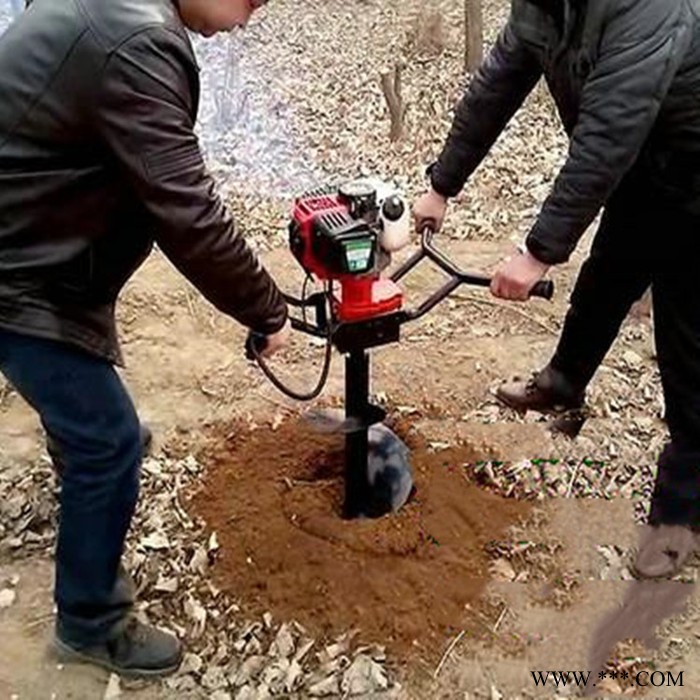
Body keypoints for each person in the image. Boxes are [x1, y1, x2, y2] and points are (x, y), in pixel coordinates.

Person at [0, 0, 289, 679]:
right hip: (17, 274)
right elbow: (184, 210)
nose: (254, 10)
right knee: (110, 441)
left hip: (32, 252)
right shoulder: (138, 41)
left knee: (90, 430)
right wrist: (265, 310)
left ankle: (79, 477)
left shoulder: (119, 12)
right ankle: (90, 625)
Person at [414, 0, 700, 579]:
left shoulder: (652, 7)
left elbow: (609, 131)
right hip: (644, 170)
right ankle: (563, 385)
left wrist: (538, 251)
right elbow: (496, 86)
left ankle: (680, 518)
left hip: (694, 174)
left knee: (689, 350)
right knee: (603, 284)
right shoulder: (542, 6)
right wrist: (442, 186)